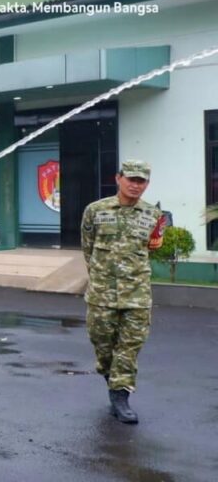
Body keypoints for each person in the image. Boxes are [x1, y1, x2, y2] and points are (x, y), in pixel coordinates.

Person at [80, 159, 165, 424]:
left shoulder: (153, 215)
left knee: (129, 348)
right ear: (118, 178)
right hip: (102, 294)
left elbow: (152, 247)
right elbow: (88, 247)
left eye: (141, 181)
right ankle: (112, 380)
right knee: (103, 346)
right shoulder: (95, 210)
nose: (135, 185)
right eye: (131, 179)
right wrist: (100, 277)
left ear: (147, 184)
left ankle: (120, 396)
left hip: (137, 295)